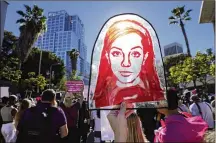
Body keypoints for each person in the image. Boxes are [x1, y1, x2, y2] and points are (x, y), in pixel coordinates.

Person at [92, 16, 165, 108]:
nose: (126, 63)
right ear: (107, 55)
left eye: (135, 54)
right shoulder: (103, 97)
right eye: (116, 53)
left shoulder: (154, 97)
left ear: (145, 56)